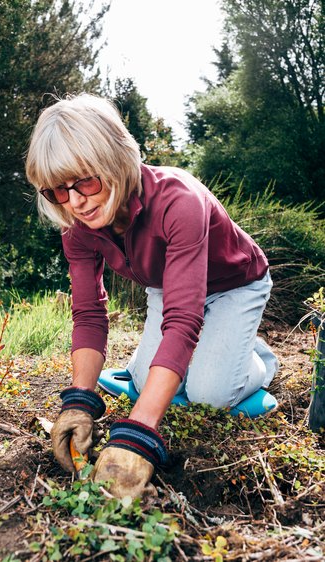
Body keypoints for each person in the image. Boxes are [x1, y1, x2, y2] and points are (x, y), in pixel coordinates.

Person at [26, 93, 279, 499]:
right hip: (168, 284)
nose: (74, 202)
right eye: (58, 190)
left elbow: (182, 319)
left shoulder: (180, 201)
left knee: (208, 395)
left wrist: (138, 433)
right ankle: (220, 346)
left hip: (235, 284)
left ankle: (257, 357)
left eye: (86, 182)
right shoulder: (77, 227)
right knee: (146, 381)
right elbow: (89, 314)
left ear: (114, 160)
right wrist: (79, 401)